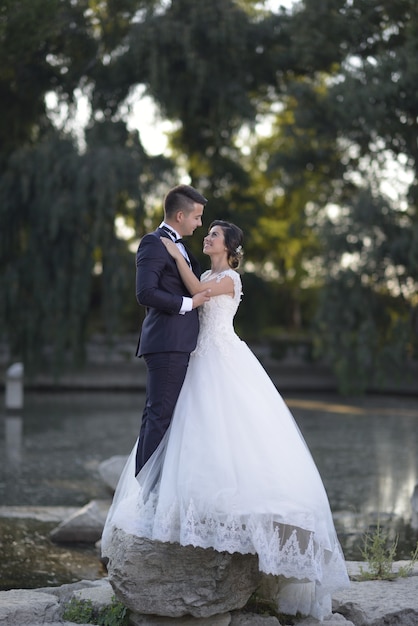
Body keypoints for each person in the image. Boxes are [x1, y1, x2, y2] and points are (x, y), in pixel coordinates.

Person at [102, 220, 350, 620]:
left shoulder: (230, 279)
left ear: (230, 247)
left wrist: (173, 255)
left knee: (231, 430)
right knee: (191, 431)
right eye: (208, 232)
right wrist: (179, 260)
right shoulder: (203, 271)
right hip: (196, 357)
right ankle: (190, 505)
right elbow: (195, 291)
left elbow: (199, 294)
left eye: (215, 235)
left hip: (223, 359)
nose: (208, 237)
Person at [134, 184, 211, 476]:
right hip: (167, 342)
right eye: (197, 217)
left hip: (176, 342)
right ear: (181, 215)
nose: (200, 224)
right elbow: (145, 293)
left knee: (158, 416)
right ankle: (149, 494)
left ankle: (151, 489)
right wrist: (188, 303)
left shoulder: (179, 246)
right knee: (160, 418)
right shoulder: (153, 243)